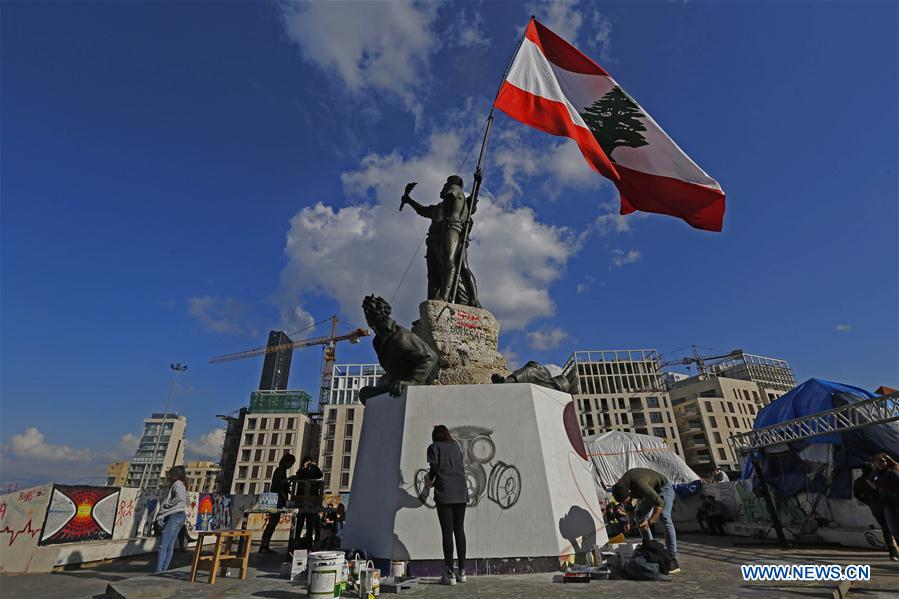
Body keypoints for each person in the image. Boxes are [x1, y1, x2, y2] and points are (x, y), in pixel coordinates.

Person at [612, 468, 680, 573]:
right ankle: (650, 547)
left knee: (664, 516)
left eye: (628, 499)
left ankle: (671, 555)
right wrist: (630, 523)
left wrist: (650, 521)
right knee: (639, 516)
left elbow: (660, 503)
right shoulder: (621, 487)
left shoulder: (639, 484)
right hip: (648, 493)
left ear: (629, 492)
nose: (628, 502)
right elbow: (628, 507)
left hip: (663, 489)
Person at [426, 425, 469, 585]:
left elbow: (434, 467)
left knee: (447, 532)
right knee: (459, 530)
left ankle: (450, 574)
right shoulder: (456, 446)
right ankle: (462, 572)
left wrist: (430, 480)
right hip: (461, 490)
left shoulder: (433, 447)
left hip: (445, 491)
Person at [854, 462, 898, 560]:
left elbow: (856, 495)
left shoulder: (858, 481)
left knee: (886, 529)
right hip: (885, 505)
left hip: (874, 508)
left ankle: (893, 553)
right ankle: (894, 552)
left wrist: (867, 502)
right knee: (894, 528)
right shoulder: (875, 479)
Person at [259, 453, 296, 554]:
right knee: (272, 522)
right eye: (291, 463)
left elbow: (282, 484)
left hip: (277, 498)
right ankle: (264, 544)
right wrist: (289, 479)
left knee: (273, 523)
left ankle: (265, 544)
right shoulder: (280, 470)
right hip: (276, 499)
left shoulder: (281, 470)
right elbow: (279, 483)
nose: (291, 466)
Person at [155, 466, 188, 573]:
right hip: (181, 516)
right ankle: (163, 570)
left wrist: (166, 505)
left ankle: (158, 570)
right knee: (170, 546)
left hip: (174, 516)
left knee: (163, 546)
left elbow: (179, 498)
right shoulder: (182, 484)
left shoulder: (177, 484)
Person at [872, 453, 899, 561]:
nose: (881, 463)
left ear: (887, 462)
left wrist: (891, 495)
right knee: (893, 530)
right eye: (879, 461)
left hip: (896, 503)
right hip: (887, 504)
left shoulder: (892, 473)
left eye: (883, 461)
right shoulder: (875, 474)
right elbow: (873, 485)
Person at [296, 456, 324, 549]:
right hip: (302, 498)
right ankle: (296, 540)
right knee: (300, 520)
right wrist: (304, 468)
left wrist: (314, 467)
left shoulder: (314, 469)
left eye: (309, 461)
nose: (308, 463)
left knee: (310, 522)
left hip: (312, 497)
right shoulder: (301, 470)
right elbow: (298, 474)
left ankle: (309, 543)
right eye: (307, 461)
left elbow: (320, 475)